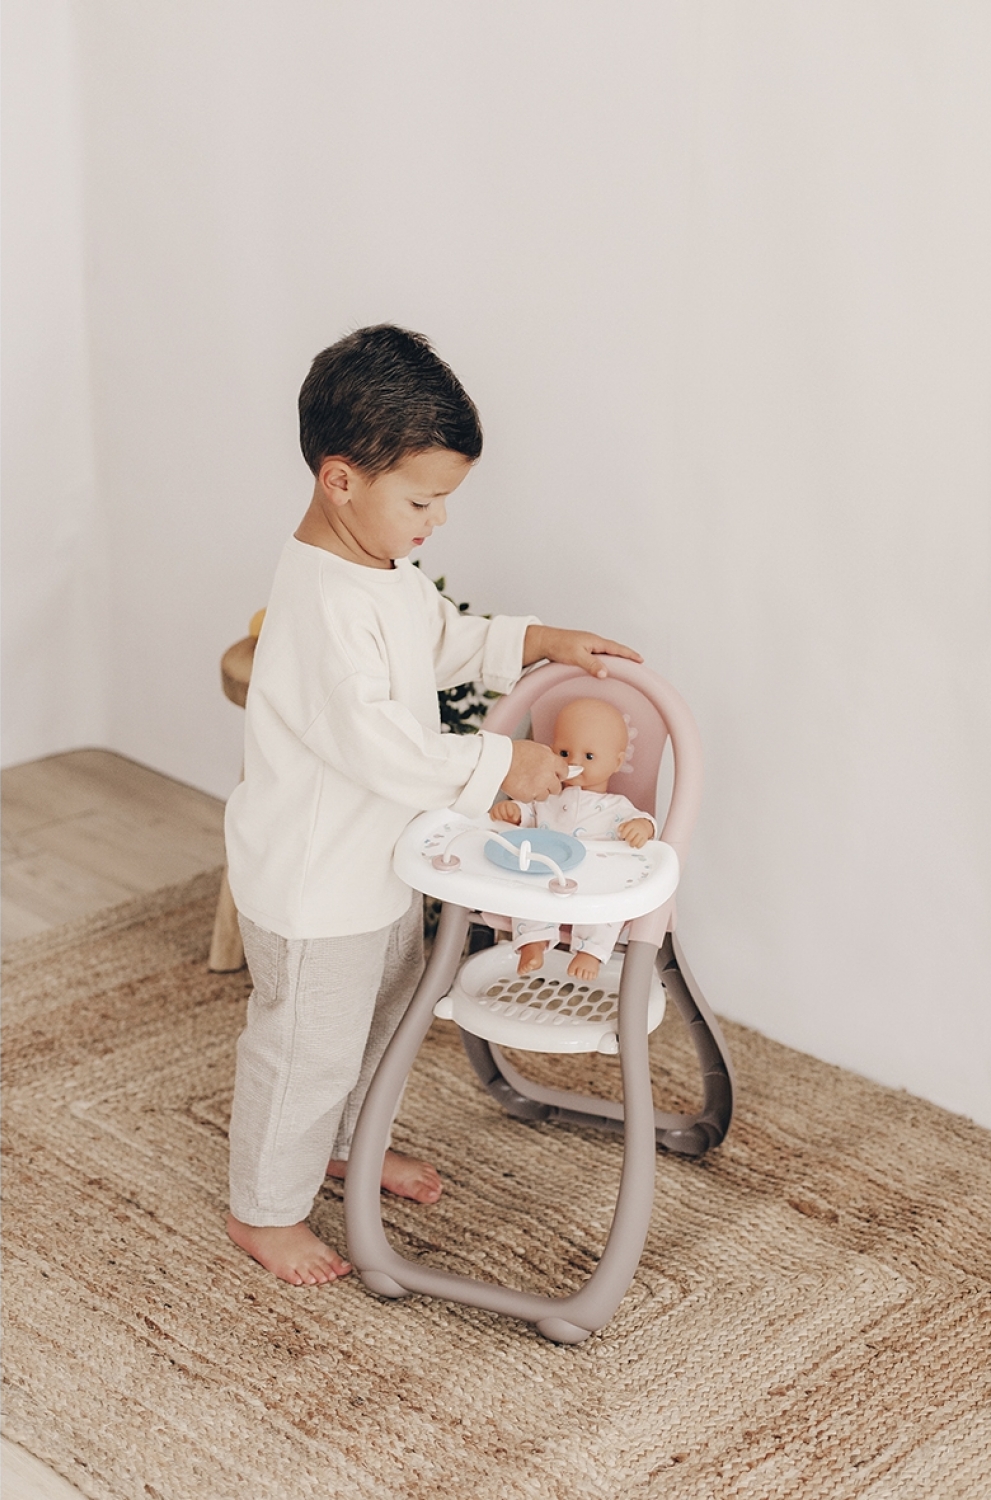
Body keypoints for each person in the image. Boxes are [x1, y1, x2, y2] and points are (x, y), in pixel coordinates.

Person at [222, 324, 640, 1286]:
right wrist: (499, 767)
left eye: (445, 499)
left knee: (381, 1022)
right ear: (340, 481)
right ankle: (265, 1209)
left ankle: (344, 1148)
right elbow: (377, 743)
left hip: (378, 869)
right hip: (315, 885)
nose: (438, 520)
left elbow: (442, 638)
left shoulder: (379, 572)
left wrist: (536, 640)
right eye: (421, 501)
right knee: (307, 1050)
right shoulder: (323, 606)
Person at [490, 697, 656, 981]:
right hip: (546, 874)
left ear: (617, 762)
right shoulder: (548, 796)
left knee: (607, 908)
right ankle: (532, 943)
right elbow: (529, 814)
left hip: (595, 882)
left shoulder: (616, 805)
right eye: (564, 752)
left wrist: (642, 827)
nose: (575, 762)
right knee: (526, 895)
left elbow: (645, 821)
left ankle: (591, 952)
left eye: (589, 757)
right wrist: (514, 812)